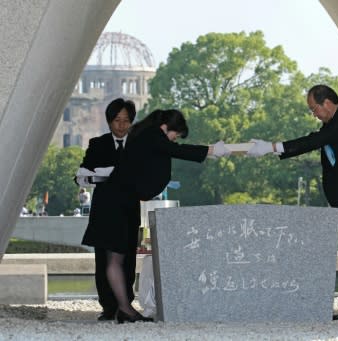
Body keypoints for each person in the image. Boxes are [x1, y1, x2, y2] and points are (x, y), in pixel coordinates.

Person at [247, 84, 338, 322]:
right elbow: (319, 141)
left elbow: (312, 141)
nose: (313, 113)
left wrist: (271, 148)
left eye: (313, 109)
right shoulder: (333, 123)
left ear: (326, 103)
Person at [81, 108, 230, 323]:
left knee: (115, 258)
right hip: (116, 203)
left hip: (115, 201)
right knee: (115, 259)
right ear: (166, 128)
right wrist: (212, 150)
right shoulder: (152, 136)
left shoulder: (143, 135)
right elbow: (179, 151)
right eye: (175, 134)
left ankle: (123, 307)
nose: (173, 139)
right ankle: (124, 308)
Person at [77, 98, 137, 322]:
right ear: (109, 121)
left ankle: (126, 303)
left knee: (128, 257)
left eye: (126, 121)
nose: (121, 126)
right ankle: (109, 306)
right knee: (103, 259)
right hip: (104, 209)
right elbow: (83, 173)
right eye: (116, 121)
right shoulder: (98, 143)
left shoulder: (137, 145)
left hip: (128, 208)